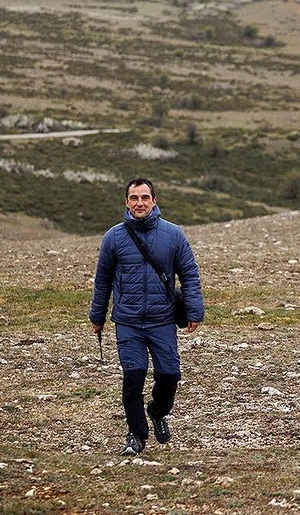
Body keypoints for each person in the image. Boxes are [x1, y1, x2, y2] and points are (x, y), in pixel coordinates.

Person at [89, 177, 205, 456]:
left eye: (144, 198)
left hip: (162, 319)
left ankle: (157, 410)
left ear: (154, 201)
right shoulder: (113, 237)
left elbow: (189, 273)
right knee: (133, 377)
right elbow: (102, 279)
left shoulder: (173, 234)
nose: (139, 203)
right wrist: (97, 315)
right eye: (133, 198)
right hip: (127, 321)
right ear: (126, 202)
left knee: (170, 375)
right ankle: (136, 435)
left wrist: (194, 310)